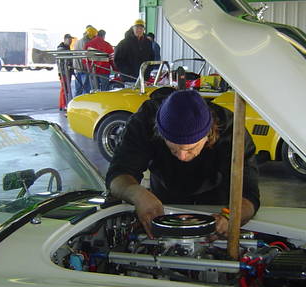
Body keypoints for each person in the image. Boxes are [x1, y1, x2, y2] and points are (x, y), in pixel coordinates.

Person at [106, 89, 260, 237]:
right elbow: (118, 174)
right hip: (163, 206)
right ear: (158, 132)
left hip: (216, 208)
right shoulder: (144, 121)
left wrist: (229, 217)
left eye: (191, 149)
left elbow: (249, 194)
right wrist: (137, 194)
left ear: (209, 134)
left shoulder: (233, 132)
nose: (181, 156)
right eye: (173, 149)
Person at [72, 26, 97, 97]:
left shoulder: (78, 41)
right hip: (84, 68)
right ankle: (85, 102)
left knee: (78, 88)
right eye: (94, 36)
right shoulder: (86, 42)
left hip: (77, 67)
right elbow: (86, 56)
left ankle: (76, 101)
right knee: (86, 88)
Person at [57, 33, 74, 110]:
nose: (70, 41)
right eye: (69, 39)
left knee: (65, 88)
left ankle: (63, 104)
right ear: (65, 39)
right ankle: (63, 105)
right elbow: (62, 62)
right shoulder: (62, 49)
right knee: (64, 88)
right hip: (64, 72)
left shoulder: (67, 47)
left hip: (67, 71)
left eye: (71, 40)